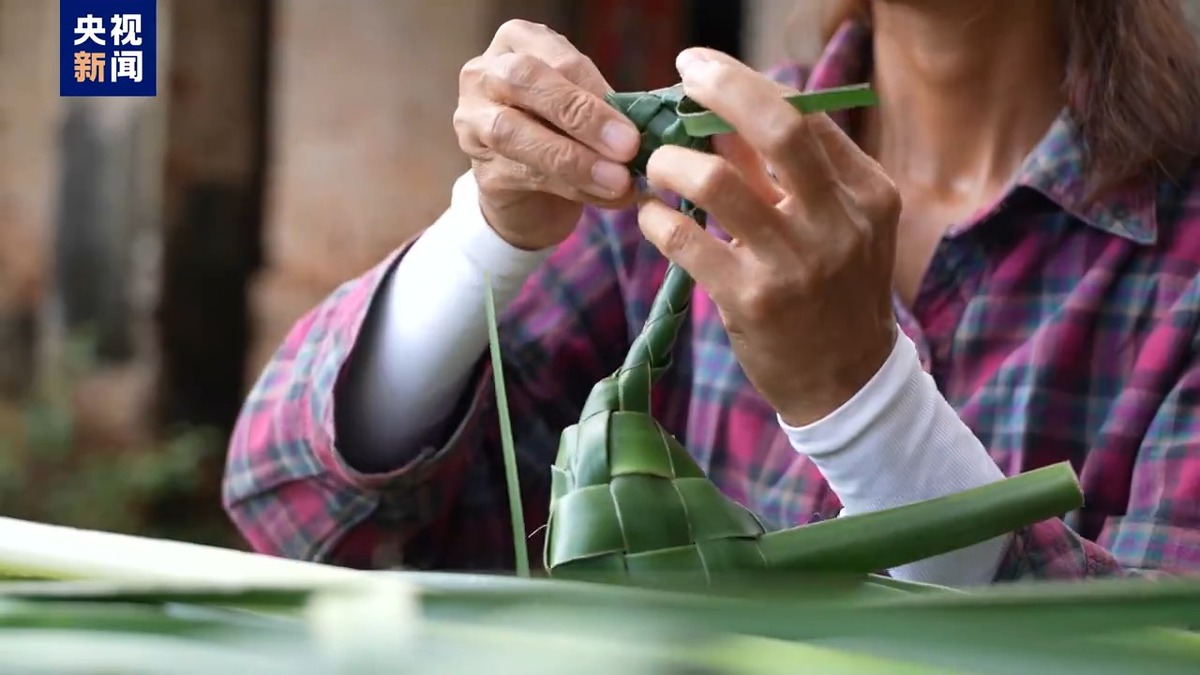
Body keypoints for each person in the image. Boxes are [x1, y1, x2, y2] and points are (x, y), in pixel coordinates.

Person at [222, 0, 1200, 585]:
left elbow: (1155, 640)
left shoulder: (1179, 250)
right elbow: (296, 511)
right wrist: (488, 231)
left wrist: (865, 403)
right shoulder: (693, 174)